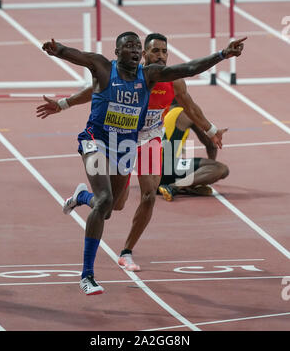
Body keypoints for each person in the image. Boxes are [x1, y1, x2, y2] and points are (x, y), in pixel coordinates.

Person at [41, 32, 246, 295]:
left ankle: (119, 242)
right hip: (100, 140)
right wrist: (58, 57)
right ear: (130, 54)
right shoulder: (110, 69)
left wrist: (223, 55)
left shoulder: (159, 78)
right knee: (108, 202)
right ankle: (87, 270)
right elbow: (87, 71)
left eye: (161, 51)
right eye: (136, 47)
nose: (153, 54)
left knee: (129, 201)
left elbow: (191, 75)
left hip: (139, 141)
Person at [158, 100, 229, 201]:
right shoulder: (185, 113)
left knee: (176, 160)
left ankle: (187, 186)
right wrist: (207, 176)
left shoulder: (156, 114)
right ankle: (174, 187)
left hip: (148, 174)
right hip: (165, 171)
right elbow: (211, 145)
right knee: (220, 169)